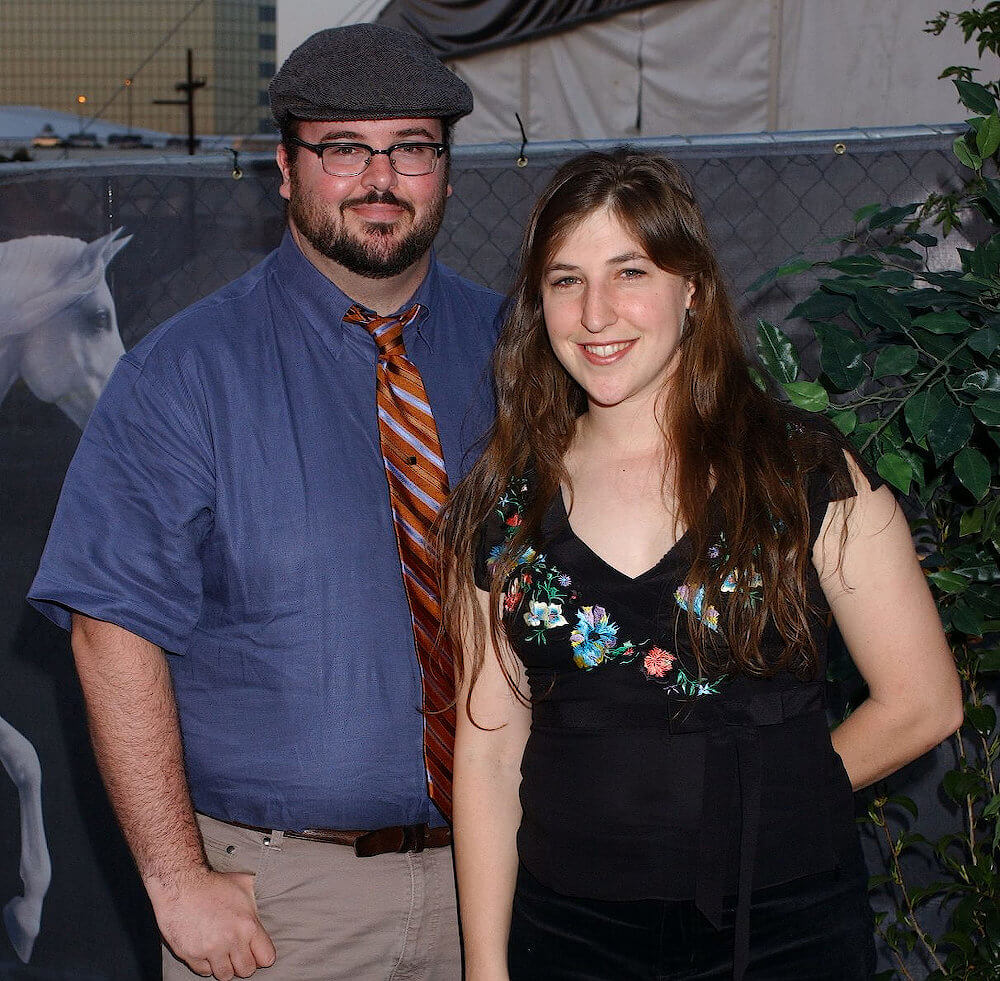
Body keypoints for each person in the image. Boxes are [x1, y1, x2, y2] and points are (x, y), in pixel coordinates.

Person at [28, 23, 501, 981]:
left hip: (512, 876)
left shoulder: (522, 352)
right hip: (286, 908)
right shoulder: (184, 375)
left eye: (411, 146)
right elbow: (108, 629)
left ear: (446, 170)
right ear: (286, 169)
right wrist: (175, 878)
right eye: (342, 148)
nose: (380, 177)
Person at [440, 149, 963, 981]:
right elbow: (491, 754)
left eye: (630, 270)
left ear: (693, 288)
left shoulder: (805, 474)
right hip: (566, 940)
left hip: (784, 933)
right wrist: (485, 968)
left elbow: (924, 703)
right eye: (565, 280)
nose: (597, 311)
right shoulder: (504, 510)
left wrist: (769, 797)